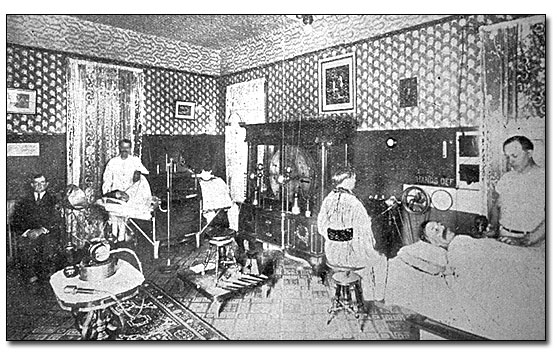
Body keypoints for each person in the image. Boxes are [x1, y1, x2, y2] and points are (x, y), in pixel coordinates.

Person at [317, 166, 387, 301]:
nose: (355, 181)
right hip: (347, 256)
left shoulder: (328, 199)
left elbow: (321, 227)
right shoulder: (354, 203)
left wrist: (338, 235)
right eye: (353, 178)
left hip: (331, 254)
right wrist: (368, 224)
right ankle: (376, 296)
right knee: (381, 259)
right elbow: (365, 235)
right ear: (347, 180)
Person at [487, 136, 545, 247]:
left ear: (529, 153)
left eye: (514, 156)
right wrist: (494, 228)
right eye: (507, 157)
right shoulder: (507, 177)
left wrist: (527, 240)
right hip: (504, 236)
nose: (510, 162)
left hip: (532, 242)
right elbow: (497, 206)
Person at [11, 173, 63, 284]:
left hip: (47, 234)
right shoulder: (24, 201)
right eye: (36, 183)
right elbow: (16, 220)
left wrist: (40, 230)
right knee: (26, 249)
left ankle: (47, 279)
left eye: (42, 182)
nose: (39, 185)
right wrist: (27, 232)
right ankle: (32, 278)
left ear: (47, 184)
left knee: (48, 247)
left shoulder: (54, 200)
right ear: (31, 185)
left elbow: (56, 220)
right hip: (29, 235)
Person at [102, 139, 151, 242]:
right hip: (116, 194)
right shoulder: (113, 162)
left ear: (130, 148)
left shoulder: (135, 161)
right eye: (123, 147)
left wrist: (138, 173)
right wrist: (108, 194)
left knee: (125, 217)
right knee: (114, 215)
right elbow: (107, 180)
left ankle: (122, 239)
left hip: (130, 195)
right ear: (119, 148)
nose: (125, 150)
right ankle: (115, 238)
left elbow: (145, 174)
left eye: (127, 148)